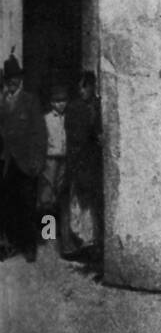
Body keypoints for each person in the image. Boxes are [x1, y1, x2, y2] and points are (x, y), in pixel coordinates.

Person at [0, 53, 47, 263]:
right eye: (8, 79)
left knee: (28, 205)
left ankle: (30, 247)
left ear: (20, 79)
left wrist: (37, 161)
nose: (12, 83)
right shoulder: (2, 101)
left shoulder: (30, 100)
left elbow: (39, 133)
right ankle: (12, 244)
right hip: (8, 163)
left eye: (15, 79)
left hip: (26, 163)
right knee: (9, 204)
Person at [64, 70, 102, 259]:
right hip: (79, 160)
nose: (81, 91)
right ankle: (79, 242)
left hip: (93, 161)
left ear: (92, 86)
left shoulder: (98, 105)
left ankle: (93, 242)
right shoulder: (74, 108)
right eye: (79, 87)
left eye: (84, 87)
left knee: (91, 204)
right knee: (77, 202)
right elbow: (74, 136)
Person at [39, 83, 71, 255]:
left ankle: (64, 238)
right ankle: (48, 234)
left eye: (63, 101)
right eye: (57, 101)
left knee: (63, 197)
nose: (61, 104)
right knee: (47, 198)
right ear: (52, 103)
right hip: (50, 160)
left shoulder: (69, 117)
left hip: (64, 159)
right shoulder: (46, 119)